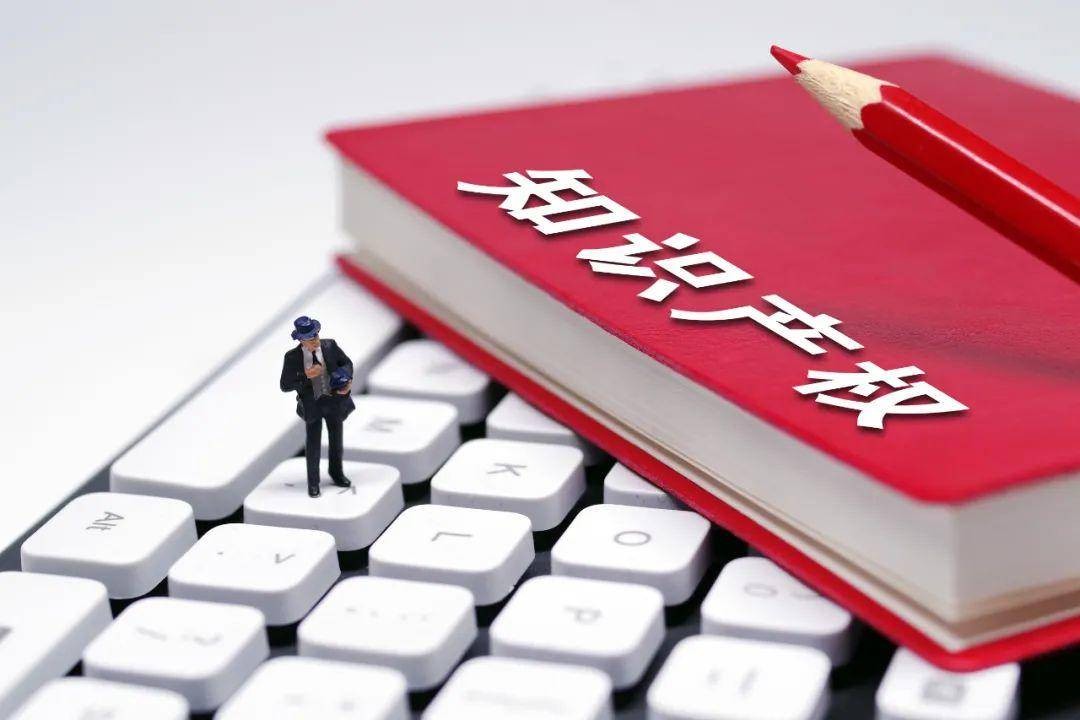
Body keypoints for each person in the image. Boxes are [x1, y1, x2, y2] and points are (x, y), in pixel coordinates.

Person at [279, 316, 355, 497]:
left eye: (316, 335)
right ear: (300, 340)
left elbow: (347, 363)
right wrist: (305, 375)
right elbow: (285, 385)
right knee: (313, 445)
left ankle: (336, 473)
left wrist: (346, 379)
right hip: (312, 406)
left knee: (336, 441)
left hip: (334, 401)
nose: (315, 340)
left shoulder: (330, 346)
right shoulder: (292, 357)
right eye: (310, 338)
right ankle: (313, 483)